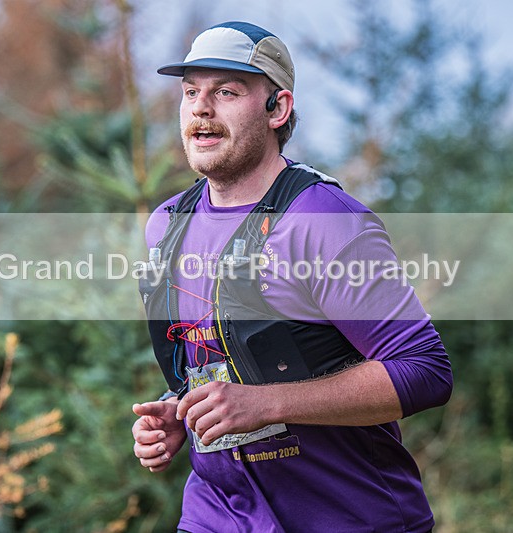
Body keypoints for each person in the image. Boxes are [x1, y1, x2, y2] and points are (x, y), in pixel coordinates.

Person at [132, 21, 452, 533]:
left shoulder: (322, 220)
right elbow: (220, 357)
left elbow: (425, 371)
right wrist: (182, 412)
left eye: (226, 92)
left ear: (277, 108)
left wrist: (266, 404)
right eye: (190, 91)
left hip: (347, 517)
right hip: (219, 515)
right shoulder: (167, 226)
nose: (200, 108)